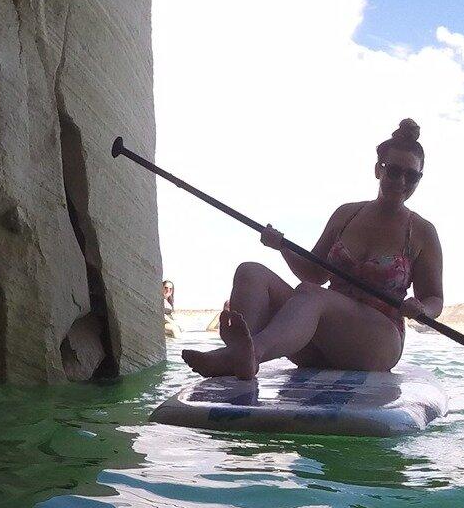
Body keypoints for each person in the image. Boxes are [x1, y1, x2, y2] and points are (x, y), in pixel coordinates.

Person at [181, 118, 444, 379]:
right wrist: (282, 247)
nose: (401, 181)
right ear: (378, 169)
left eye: (412, 175)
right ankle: (241, 352)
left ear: (419, 179)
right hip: (318, 341)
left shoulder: (422, 232)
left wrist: (422, 309)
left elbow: (434, 298)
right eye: (394, 171)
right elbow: (315, 274)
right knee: (250, 272)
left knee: (312, 295)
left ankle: (247, 355)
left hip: (376, 343)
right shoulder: (346, 215)